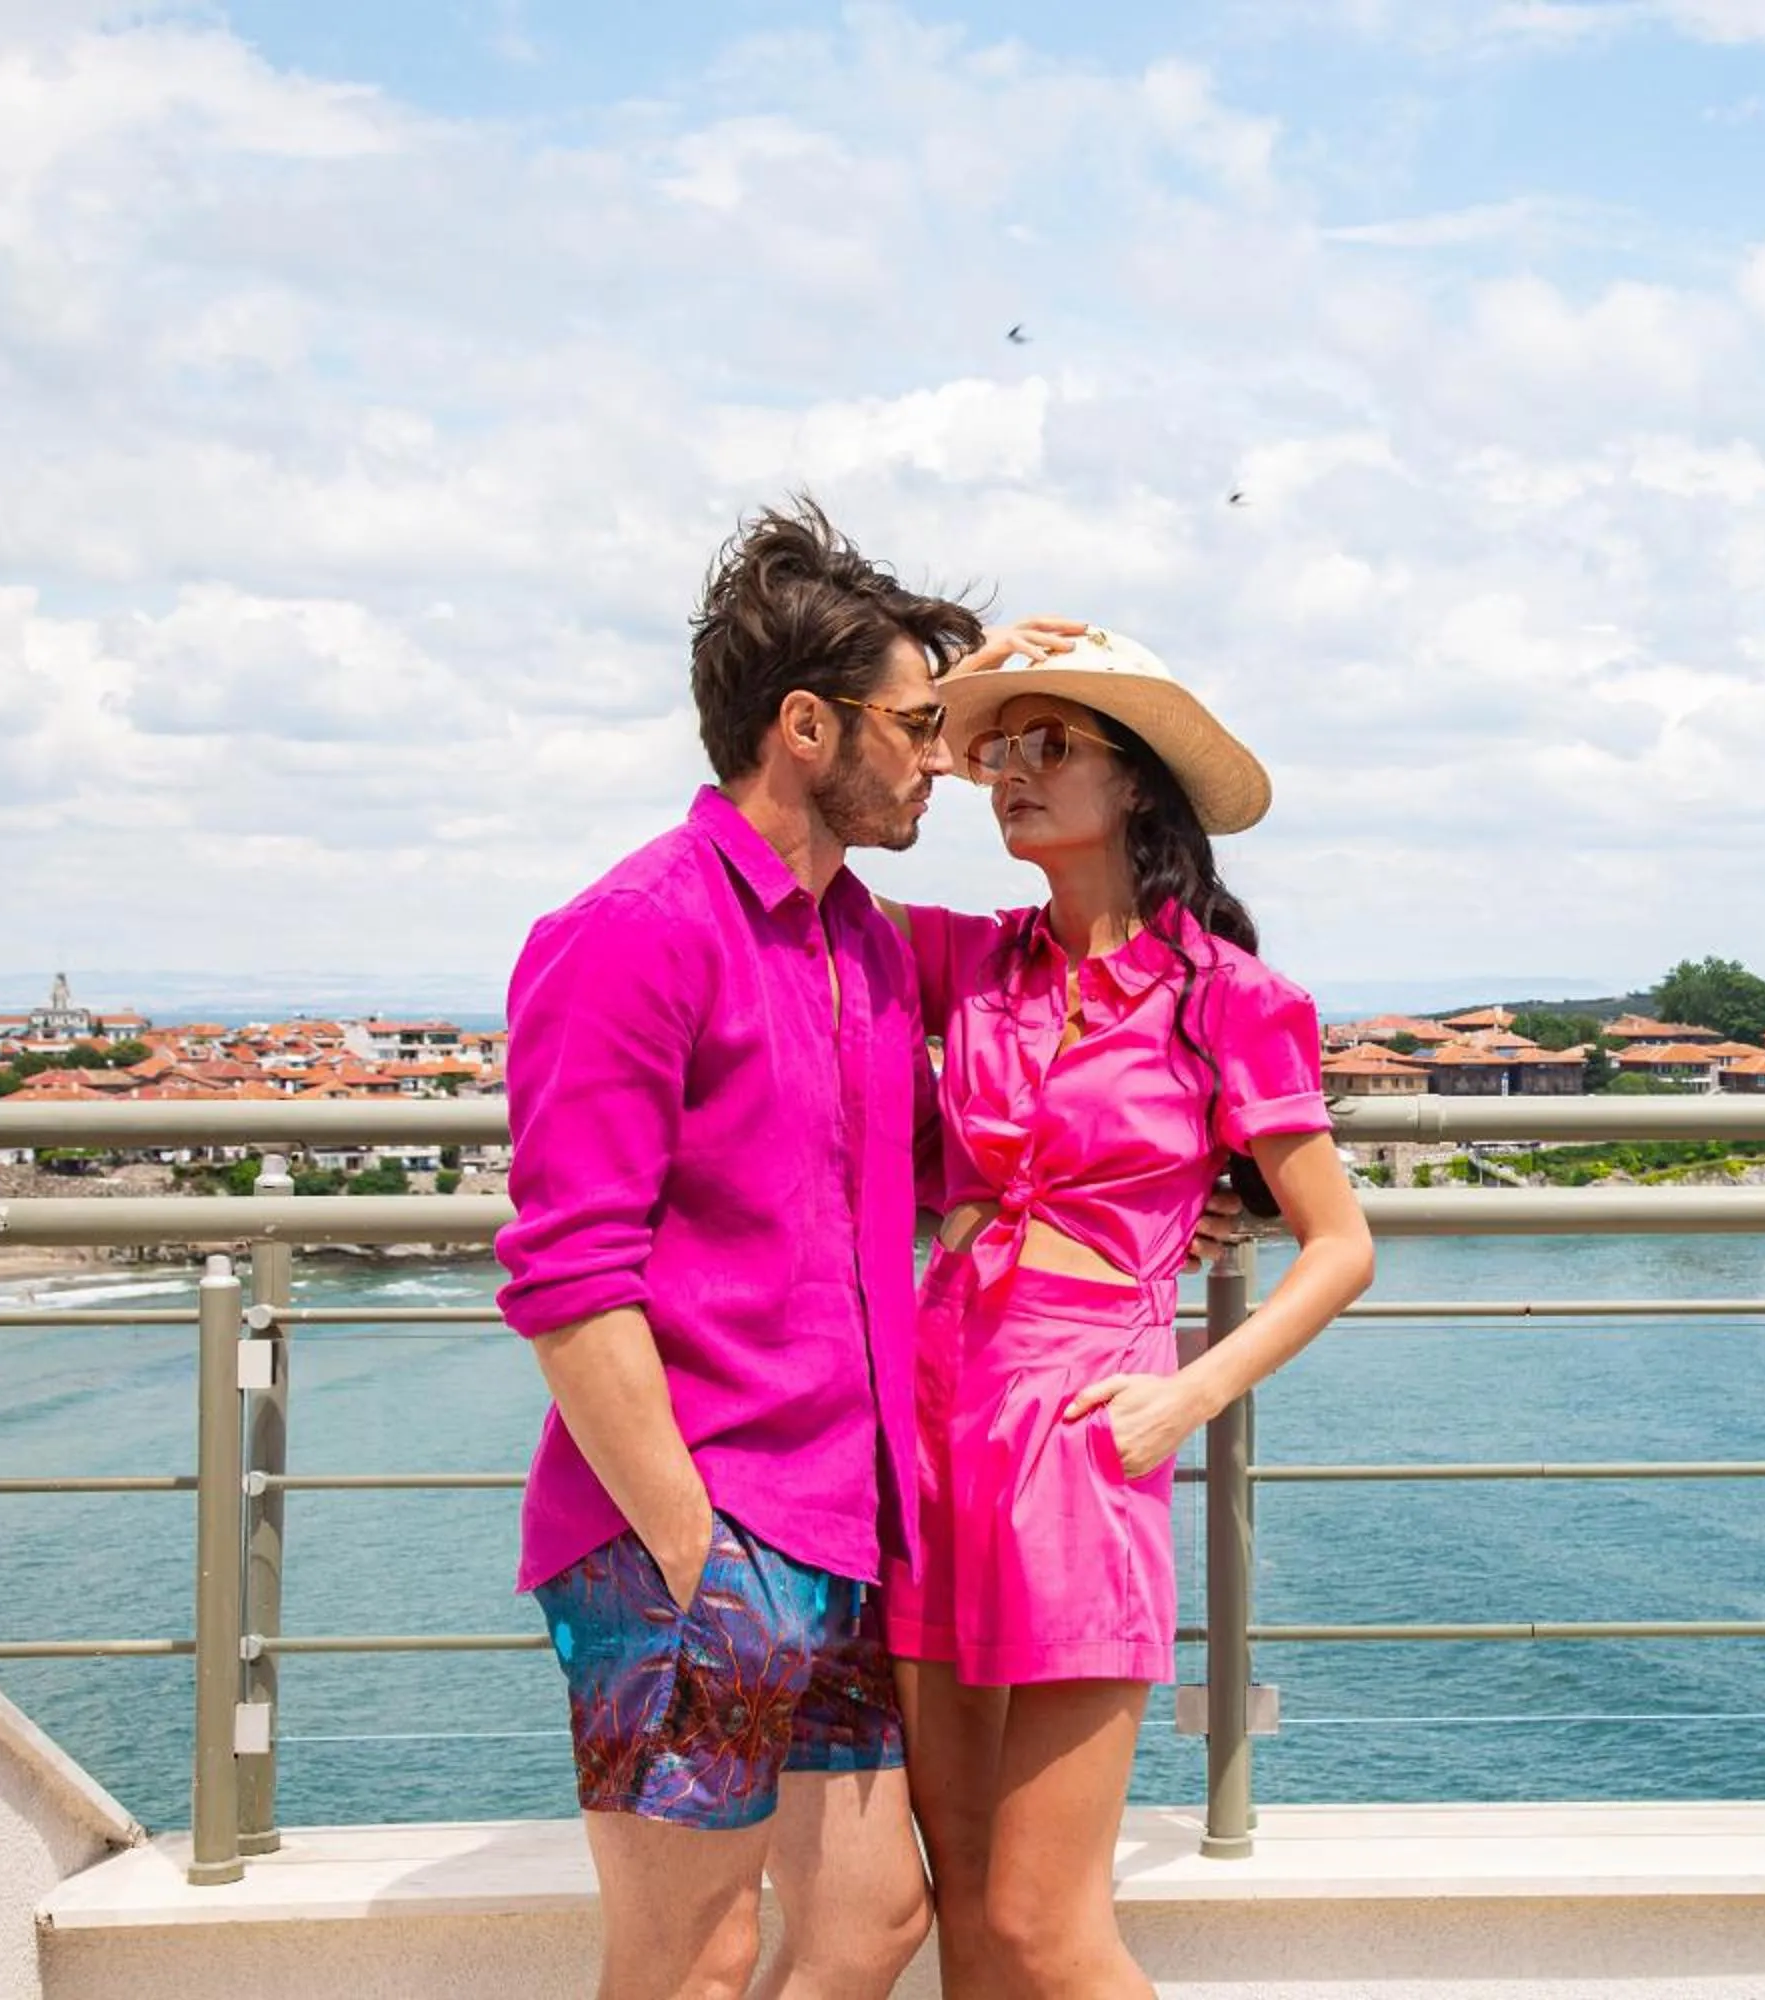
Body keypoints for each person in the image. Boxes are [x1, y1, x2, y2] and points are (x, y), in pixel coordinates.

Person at [493, 498, 1001, 2000]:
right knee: (688, 1960)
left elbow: (938, 1170)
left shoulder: (859, 945)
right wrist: (689, 1544)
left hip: (834, 1528)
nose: (943, 763)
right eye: (917, 725)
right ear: (804, 726)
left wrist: (1202, 1191)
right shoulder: (634, 931)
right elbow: (567, 1279)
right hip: (695, 1537)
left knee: (870, 1925)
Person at [885, 628, 1375, 1999]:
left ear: (1141, 783)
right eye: (997, 749)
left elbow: (1340, 1247)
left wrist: (1190, 1392)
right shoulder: (970, 964)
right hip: (933, 1418)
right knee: (964, 1893)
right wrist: (951, 700)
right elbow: (807, 886)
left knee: (1047, 1923)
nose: (1006, 776)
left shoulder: (1232, 1001)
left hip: (1083, 1427)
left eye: (1051, 746)